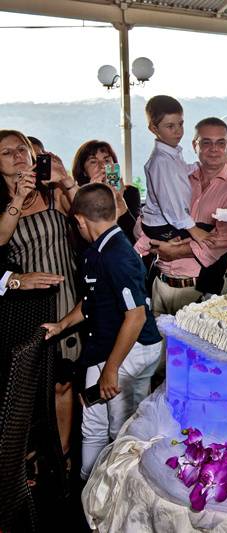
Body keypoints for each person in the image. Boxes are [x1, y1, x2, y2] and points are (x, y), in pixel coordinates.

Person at [43, 183, 162, 480]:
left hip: (128, 351)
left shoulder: (118, 255)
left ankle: (118, 496)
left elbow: (134, 317)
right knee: (92, 420)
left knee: (122, 430)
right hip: (104, 347)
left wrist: (111, 369)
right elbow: (90, 301)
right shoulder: (97, 250)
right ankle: (89, 483)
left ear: (80, 220)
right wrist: (62, 325)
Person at [0, 129, 79, 456]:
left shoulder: (52, 193)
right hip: (26, 305)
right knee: (28, 386)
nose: (18, 155)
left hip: (66, 295)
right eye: (7, 152)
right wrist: (17, 198)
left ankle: (60, 459)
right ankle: (25, 456)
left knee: (64, 382)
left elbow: (91, 217)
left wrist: (67, 181)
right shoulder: (4, 204)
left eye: (23, 149)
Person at [147, 117, 227, 314]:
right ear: (195, 145)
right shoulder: (177, 177)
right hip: (160, 286)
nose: (214, 149)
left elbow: (224, 240)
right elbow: (154, 213)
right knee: (158, 345)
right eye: (206, 142)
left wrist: (173, 251)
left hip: (203, 292)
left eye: (221, 143)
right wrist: (155, 243)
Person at [138, 95, 206, 245]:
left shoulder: (171, 154)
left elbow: (180, 173)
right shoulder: (161, 162)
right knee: (207, 239)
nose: (178, 131)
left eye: (180, 124)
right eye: (170, 126)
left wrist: (199, 166)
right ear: (153, 128)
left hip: (167, 220)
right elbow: (170, 201)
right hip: (160, 225)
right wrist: (193, 230)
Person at [72, 140, 141, 244]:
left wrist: (119, 200)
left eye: (107, 160)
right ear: (84, 172)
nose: (102, 165)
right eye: (93, 162)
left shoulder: (130, 192)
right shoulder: (77, 197)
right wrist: (92, 196)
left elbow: (135, 239)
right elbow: (84, 241)